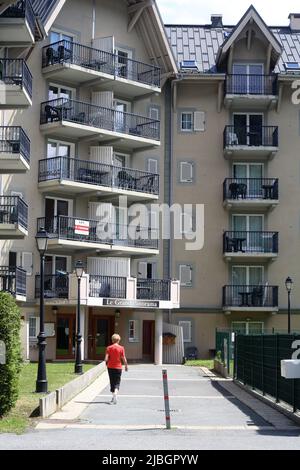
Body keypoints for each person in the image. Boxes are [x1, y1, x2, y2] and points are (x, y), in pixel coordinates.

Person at [105, 333, 128, 405]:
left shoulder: (109, 348)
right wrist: (126, 366)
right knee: (117, 382)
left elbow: (106, 358)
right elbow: (123, 358)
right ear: (118, 340)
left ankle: (113, 396)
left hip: (110, 367)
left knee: (112, 381)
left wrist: (106, 363)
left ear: (112, 340)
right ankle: (115, 393)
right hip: (118, 367)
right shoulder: (121, 348)